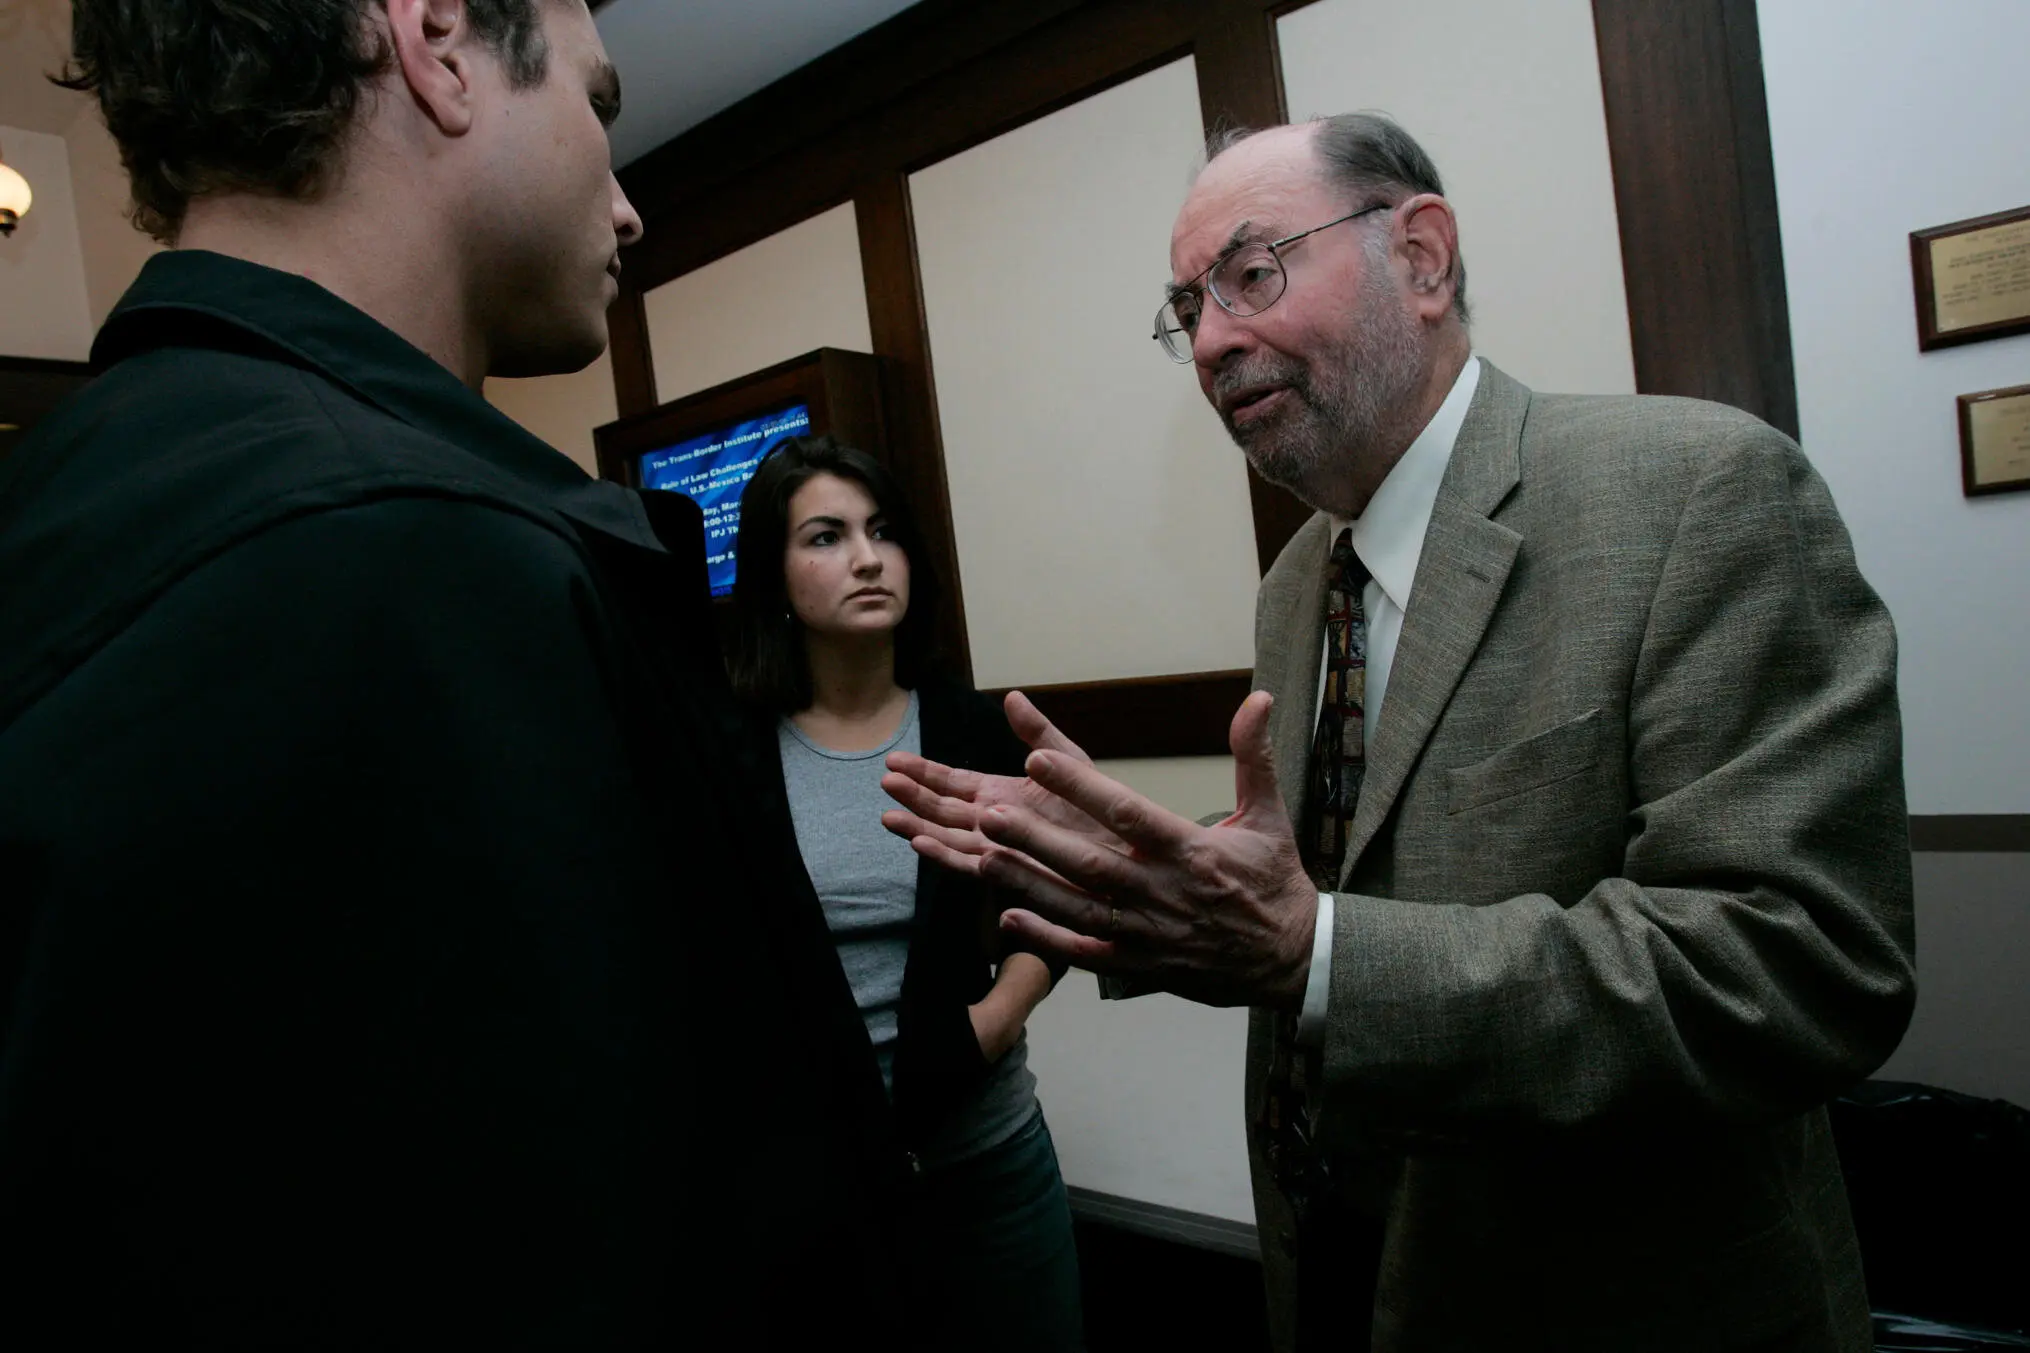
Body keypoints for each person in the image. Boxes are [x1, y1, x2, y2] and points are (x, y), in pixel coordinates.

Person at [881, 113, 1916, 1352]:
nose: (1210, 340)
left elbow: (1799, 967)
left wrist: (1312, 957)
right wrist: (1154, 892)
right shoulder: (1294, 589)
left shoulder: (1698, 490)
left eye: (1249, 275)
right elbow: (1350, 861)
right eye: (1186, 310)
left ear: (1420, 257)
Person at [0, 2, 910, 1346]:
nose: (627, 202)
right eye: (598, 112)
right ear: (430, 42)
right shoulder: (410, 557)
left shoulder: (72, 503)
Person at [728, 435, 1084, 1351]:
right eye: (825, 536)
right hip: (817, 1180)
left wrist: (994, 1020)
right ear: (771, 573)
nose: (865, 557)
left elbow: (1057, 904)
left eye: (883, 531)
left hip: (987, 1159)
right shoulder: (731, 751)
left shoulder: (974, 726)